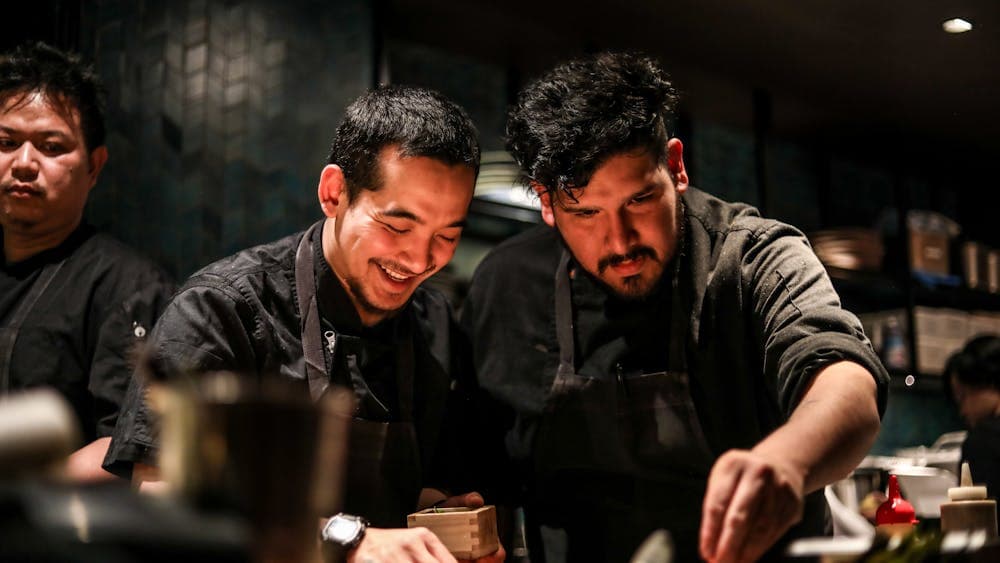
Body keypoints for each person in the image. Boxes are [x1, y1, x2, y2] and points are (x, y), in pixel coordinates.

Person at [461, 52, 889, 562]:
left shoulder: (751, 258)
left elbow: (846, 381)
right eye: (587, 213)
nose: (619, 241)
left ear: (676, 166)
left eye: (639, 201)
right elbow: (478, 464)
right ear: (546, 204)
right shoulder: (506, 286)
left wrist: (788, 462)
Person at [104, 84, 503, 562]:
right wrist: (348, 538)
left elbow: (413, 487)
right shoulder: (220, 308)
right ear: (334, 193)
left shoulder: (432, 319)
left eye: (446, 236)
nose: (419, 260)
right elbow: (163, 501)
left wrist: (443, 521)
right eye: (398, 227)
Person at [0, 42, 175, 482]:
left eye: (51, 146)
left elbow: (129, 443)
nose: (23, 163)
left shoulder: (130, 285)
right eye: (6, 142)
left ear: (94, 166)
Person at [944, 334, 1000, 497]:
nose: (963, 411)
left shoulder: (984, 440)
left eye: (962, 396)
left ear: (989, 382)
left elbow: (974, 516)